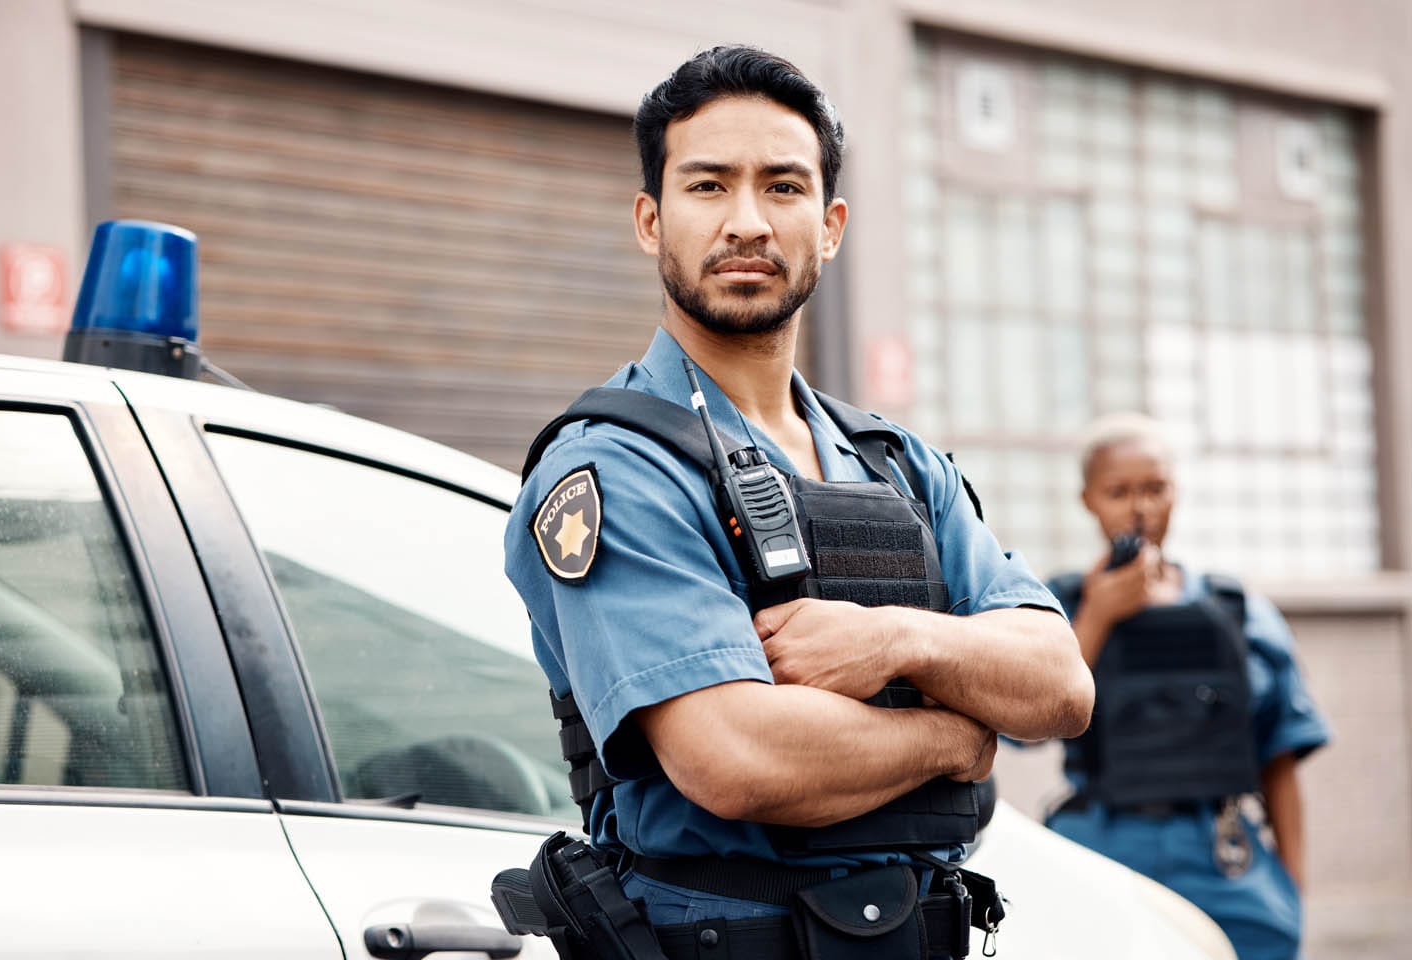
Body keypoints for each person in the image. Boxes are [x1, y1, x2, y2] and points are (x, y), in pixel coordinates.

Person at [502, 45, 1093, 960]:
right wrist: (960, 736)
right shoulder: (617, 470)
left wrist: (897, 641)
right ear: (650, 221)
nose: (747, 222)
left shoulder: (898, 465)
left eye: (782, 187)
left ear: (830, 225)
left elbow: (1058, 685)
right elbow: (738, 758)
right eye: (707, 188)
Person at [1043, 413, 1330, 960]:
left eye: (1154, 488)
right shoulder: (1057, 608)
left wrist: (1293, 893)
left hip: (1219, 853)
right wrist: (1097, 619)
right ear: (1088, 500)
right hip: (1102, 844)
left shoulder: (1235, 611)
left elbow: (1280, 757)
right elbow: (1020, 723)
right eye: (1119, 491)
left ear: (1176, 492)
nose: (1139, 507)